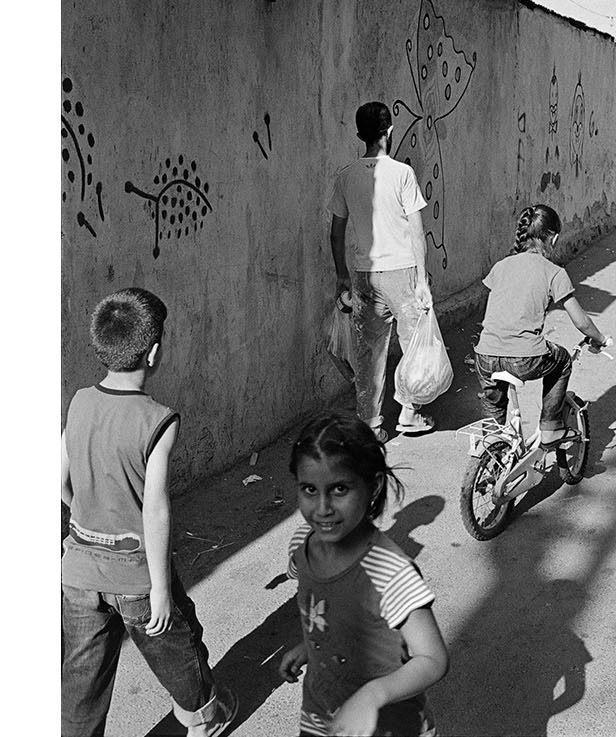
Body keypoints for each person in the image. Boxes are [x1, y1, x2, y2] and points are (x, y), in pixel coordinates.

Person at [61, 288, 238, 737]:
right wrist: (160, 589)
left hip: (79, 572)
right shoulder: (158, 418)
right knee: (178, 652)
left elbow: (59, 480)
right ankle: (203, 719)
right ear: (154, 352)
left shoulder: (80, 401)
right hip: (136, 577)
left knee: (80, 690)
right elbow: (155, 512)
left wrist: (89, 514)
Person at [280, 413, 449, 736]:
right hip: (323, 716)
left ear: (372, 486)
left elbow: (432, 659)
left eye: (339, 489)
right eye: (309, 490)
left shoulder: (391, 572)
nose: (323, 507)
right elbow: (328, 610)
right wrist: (309, 646)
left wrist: (373, 696)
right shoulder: (303, 545)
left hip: (388, 726)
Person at [329, 101, 435, 442]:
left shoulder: (346, 176)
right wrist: (421, 279)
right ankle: (409, 412)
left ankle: (371, 425)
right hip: (401, 270)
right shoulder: (402, 173)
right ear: (390, 131)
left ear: (360, 135)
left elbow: (336, 231)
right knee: (413, 342)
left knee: (369, 349)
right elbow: (416, 229)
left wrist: (341, 276)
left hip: (363, 273)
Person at [474, 204, 609, 446]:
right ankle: (551, 427)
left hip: (485, 354)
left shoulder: (501, 266)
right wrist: (599, 338)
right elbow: (582, 322)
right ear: (554, 238)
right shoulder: (554, 272)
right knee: (563, 360)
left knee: (493, 414)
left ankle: (490, 458)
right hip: (524, 358)